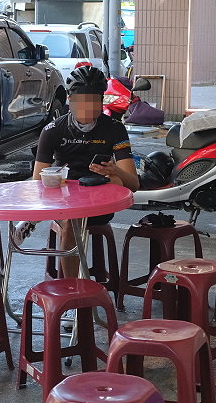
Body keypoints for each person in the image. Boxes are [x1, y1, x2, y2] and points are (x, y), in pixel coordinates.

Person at [29, 65, 140, 278]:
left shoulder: (114, 128)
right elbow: (37, 182)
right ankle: (70, 287)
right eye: (80, 102)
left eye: (93, 102)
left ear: (101, 102)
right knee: (72, 219)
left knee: (114, 182)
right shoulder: (52, 131)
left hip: (99, 200)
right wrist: (56, 176)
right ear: (70, 101)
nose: (87, 109)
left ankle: (71, 287)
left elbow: (133, 184)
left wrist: (114, 170)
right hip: (64, 202)